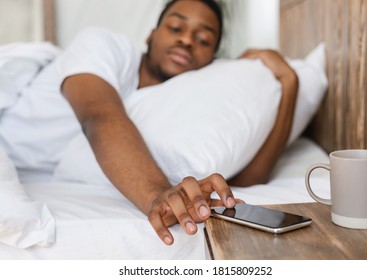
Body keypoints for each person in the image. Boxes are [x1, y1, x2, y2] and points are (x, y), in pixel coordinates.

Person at [0, 0, 298, 245]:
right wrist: (157, 193)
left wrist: (289, 83)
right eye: (175, 27)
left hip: (43, 174)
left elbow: (246, 178)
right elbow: (99, 116)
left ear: (212, 61)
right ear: (150, 35)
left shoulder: (181, 100)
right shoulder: (103, 46)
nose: (186, 40)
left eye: (203, 39)